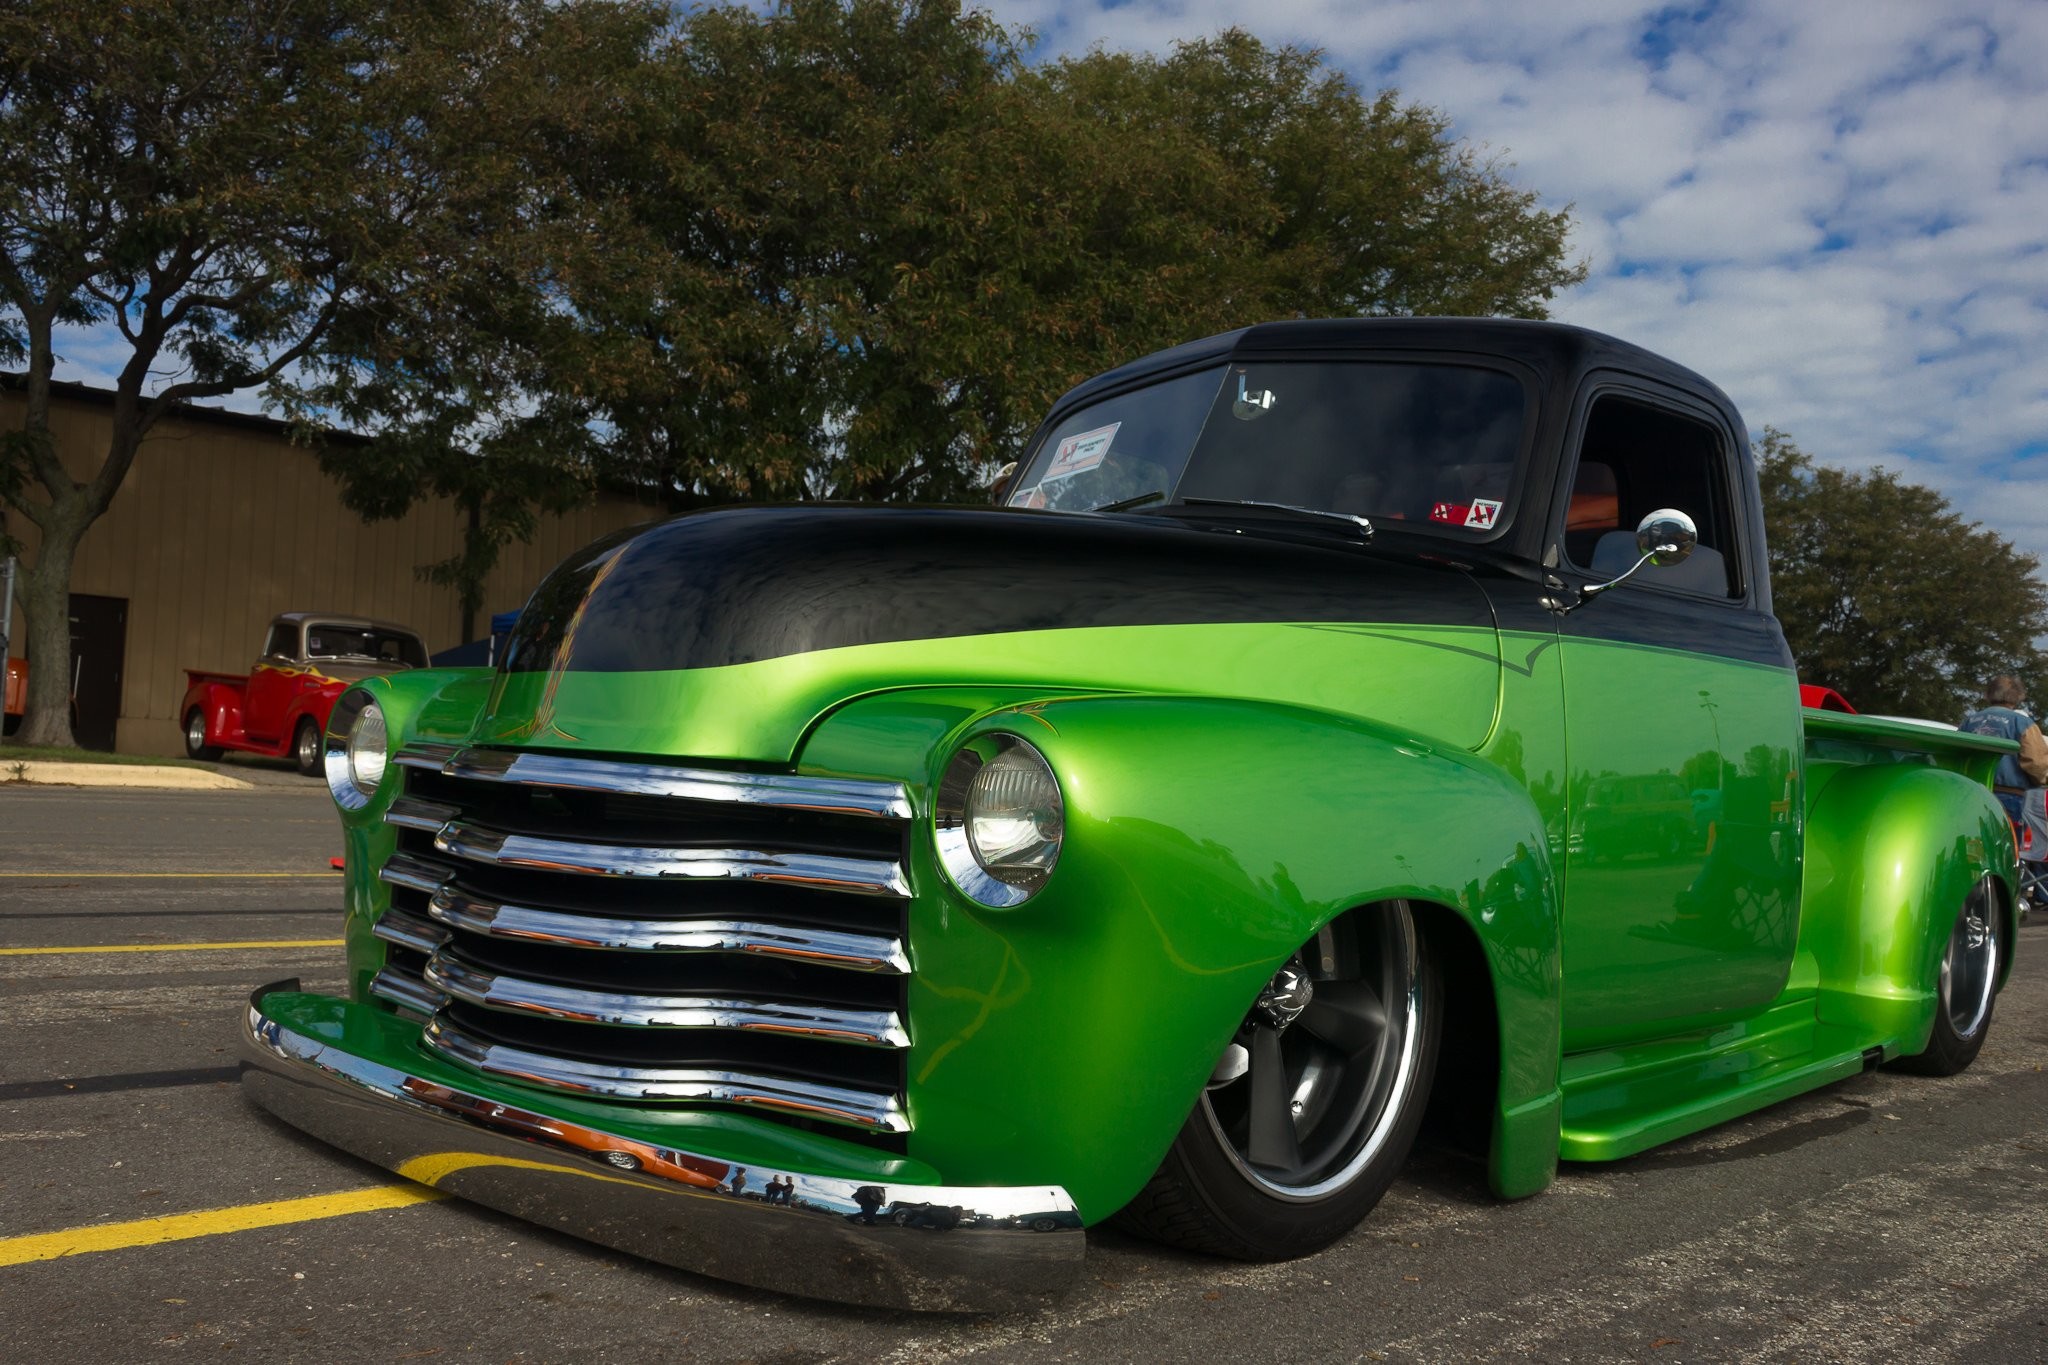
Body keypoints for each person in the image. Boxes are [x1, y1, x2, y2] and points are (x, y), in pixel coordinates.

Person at [1959, 676, 2048, 821]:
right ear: (2017, 696)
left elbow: (1957, 755)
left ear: (1989, 694)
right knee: (2007, 841)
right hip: (2009, 796)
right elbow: (2036, 763)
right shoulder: (2022, 723)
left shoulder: (1969, 721)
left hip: (1972, 792)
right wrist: (2039, 780)